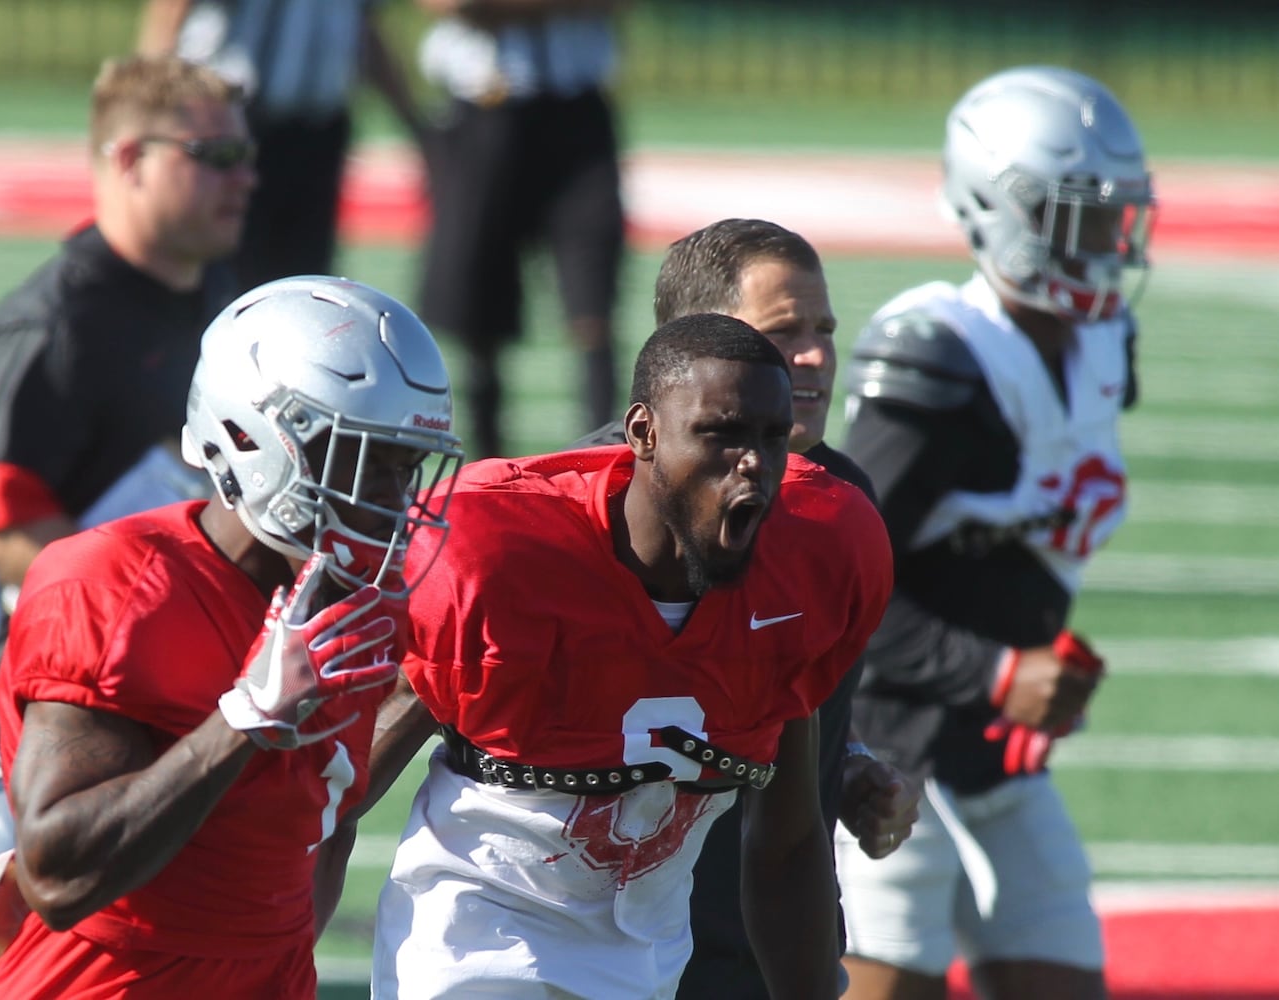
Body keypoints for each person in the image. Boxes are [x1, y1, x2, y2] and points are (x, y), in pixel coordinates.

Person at [0, 276, 466, 998]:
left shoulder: (356, 603)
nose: (395, 504)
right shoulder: (113, 587)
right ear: (255, 438)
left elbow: (322, 832)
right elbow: (57, 872)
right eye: (367, 463)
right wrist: (244, 718)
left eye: (406, 470)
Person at [365, 312, 895, 998]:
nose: (754, 465)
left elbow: (789, 845)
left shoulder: (808, 560)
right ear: (644, 431)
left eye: (772, 437)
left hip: (645, 957)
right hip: (478, 937)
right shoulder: (500, 556)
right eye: (722, 433)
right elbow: (336, 792)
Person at [834, 65, 1153, 1000]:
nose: (1109, 238)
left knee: (1061, 974)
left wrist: (1032, 657)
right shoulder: (936, 361)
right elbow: (843, 584)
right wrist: (998, 671)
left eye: (1116, 215)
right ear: (1001, 208)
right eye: (1081, 214)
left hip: (1000, 750)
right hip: (893, 744)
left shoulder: (1104, 344)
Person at [571, 217, 920, 998]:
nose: (815, 356)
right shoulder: (602, 507)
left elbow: (789, 699)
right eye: (782, 331)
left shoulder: (839, 505)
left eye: (823, 329)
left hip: (769, 929)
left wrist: (852, 764)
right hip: (618, 938)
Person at [0, 53, 254, 675]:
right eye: (216, 157)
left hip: (154, 665)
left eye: (246, 156)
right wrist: (171, 614)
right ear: (131, 159)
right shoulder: (53, 329)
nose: (246, 179)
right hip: (47, 693)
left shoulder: (223, 300)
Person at [414, 0, 629, 457]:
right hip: (488, 107)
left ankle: (607, 455)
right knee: (479, 297)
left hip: (577, 108)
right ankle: (491, 463)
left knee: (592, 296)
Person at [137, 0, 427, 288]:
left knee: (305, 279)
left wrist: (413, 118)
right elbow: (172, 8)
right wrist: (149, 107)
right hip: (235, 122)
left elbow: (365, 28)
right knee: (224, 271)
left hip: (319, 126)